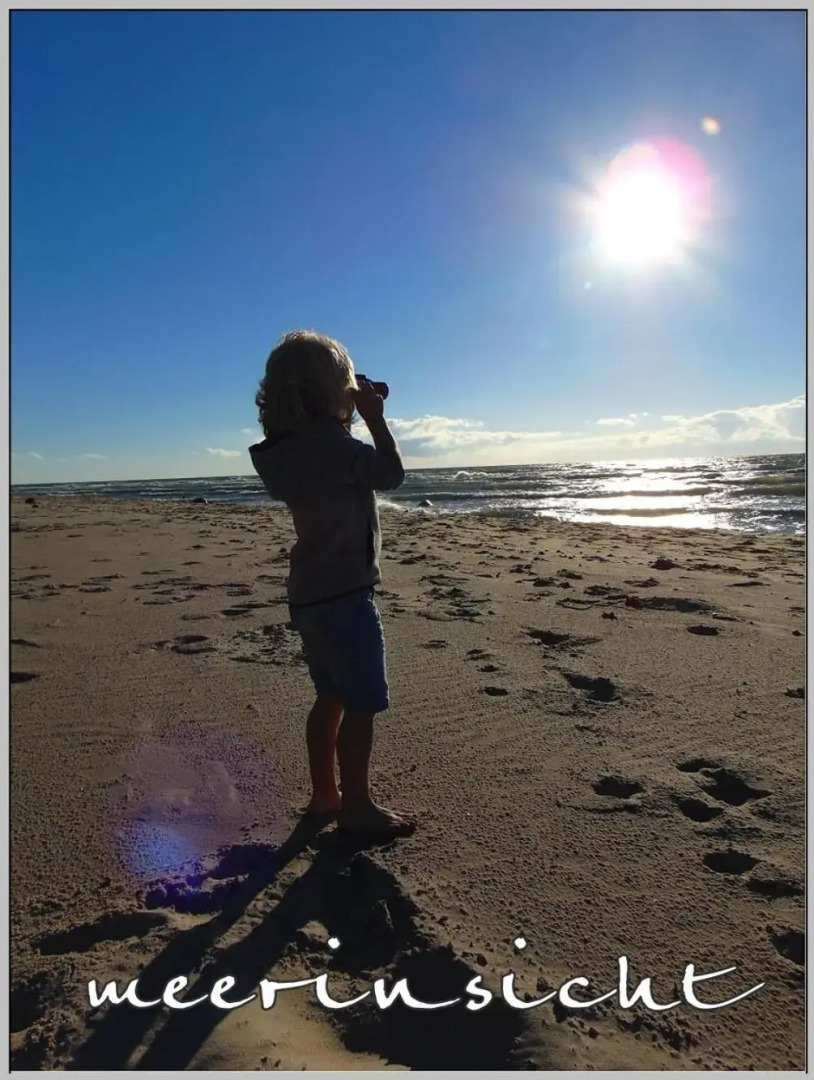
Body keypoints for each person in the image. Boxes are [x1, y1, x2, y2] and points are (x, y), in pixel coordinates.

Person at [249, 330, 416, 839]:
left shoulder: (287, 452)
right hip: (346, 594)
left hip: (310, 595)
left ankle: (326, 795)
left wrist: (350, 407)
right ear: (334, 393)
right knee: (361, 702)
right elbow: (390, 474)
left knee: (330, 696)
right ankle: (357, 806)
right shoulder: (338, 448)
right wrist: (375, 420)